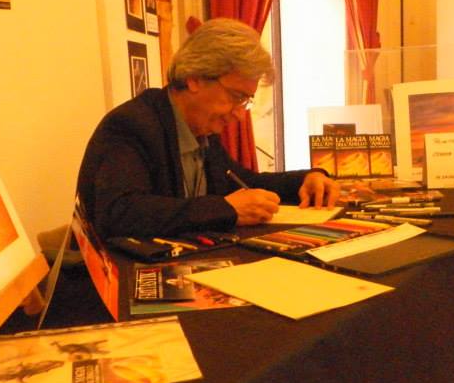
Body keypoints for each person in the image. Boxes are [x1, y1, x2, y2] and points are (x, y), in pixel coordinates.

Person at [76, 17, 339, 238]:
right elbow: (120, 212)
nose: (239, 114)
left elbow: (244, 184)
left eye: (246, 101)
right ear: (195, 78)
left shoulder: (203, 130)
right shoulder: (132, 124)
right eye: (236, 96)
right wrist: (225, 209)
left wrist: (306, 178)